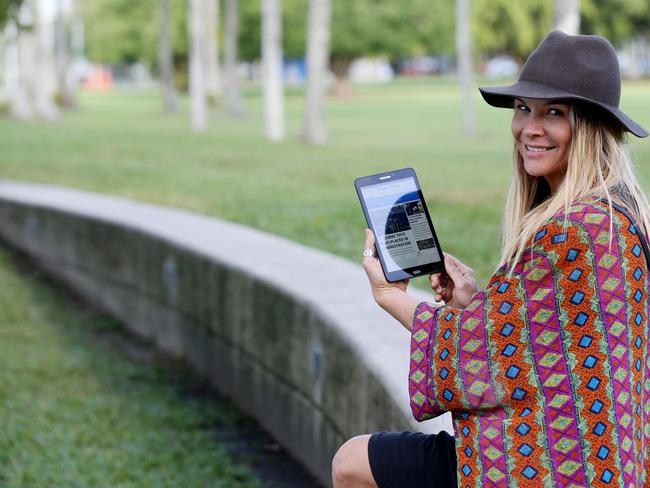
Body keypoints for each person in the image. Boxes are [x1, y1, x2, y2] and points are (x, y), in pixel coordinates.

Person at [332, 30, 650, 487]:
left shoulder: (575, 230)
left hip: (552, 465)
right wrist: (473, 301)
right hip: (586, 453)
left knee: (352, 463)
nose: (529, 128)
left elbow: (483, 353)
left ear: (592, 126)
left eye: (554, 113)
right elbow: (545, 344)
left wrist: (390, 296)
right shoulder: (616, 211)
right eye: (524, 109)